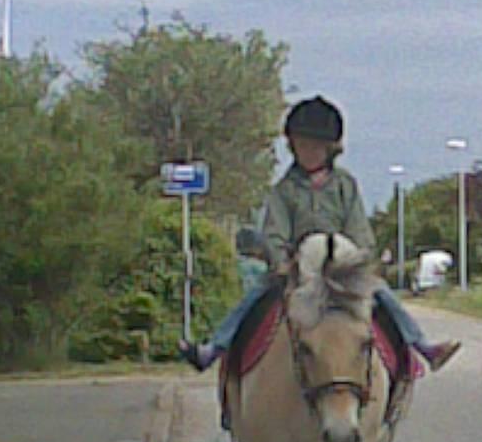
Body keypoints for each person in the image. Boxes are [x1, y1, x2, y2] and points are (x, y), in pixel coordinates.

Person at [180, 95, 460, 372]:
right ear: (292, 146)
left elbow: (359, 231)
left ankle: (422, 347)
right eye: (302, 145)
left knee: (383, 295)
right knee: (255, 296)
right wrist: (281, 261)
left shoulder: (345, 186)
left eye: (316, 146)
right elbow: (275, 234)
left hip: (342, 268)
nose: (309, 152)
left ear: (330, 149)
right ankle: (215, 348)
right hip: (296, 269)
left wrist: (359, 261)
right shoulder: (284, 191)